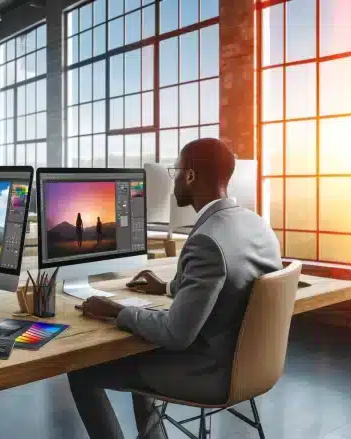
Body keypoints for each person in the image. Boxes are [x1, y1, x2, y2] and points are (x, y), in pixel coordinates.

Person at [67, 138, 282, 439]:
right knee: (141, 350)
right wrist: (167, 287)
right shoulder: (257, 224)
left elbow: (175, 334)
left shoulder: (207, 240)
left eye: (176, 171)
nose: (175, 180)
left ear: (190, 176)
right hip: (255, 367)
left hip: (212, 373)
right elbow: (222, 282)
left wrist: (116, 311)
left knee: (82, 371)